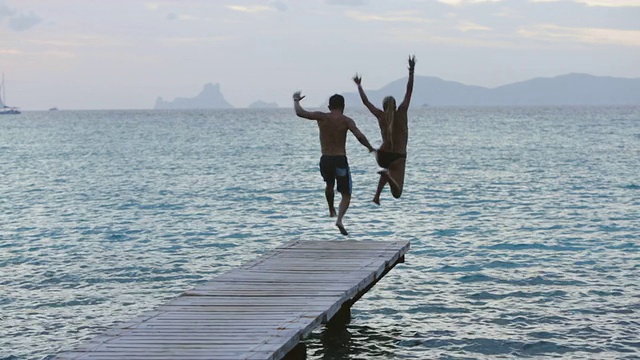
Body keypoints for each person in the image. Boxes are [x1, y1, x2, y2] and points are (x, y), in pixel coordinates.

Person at [293, 91, 376, 235]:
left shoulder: (322, 117)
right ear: (343, 106)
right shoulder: (346, 120)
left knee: (329, 185)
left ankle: (331, 208)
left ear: (329, 106)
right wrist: (370, 148)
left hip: (325, 159)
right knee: (346, 194)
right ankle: (339, 219)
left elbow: (301, 113)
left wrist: (296, 100)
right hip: (340, 159)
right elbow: (359, 136)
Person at [353, 55, 416, 205]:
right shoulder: (402, 112)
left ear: (383, 106)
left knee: (387, 170)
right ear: (395, 105)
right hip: (398, 156)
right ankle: (386, 177)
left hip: (382, 156)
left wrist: (359, 86)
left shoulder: (380, 116)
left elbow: (366, 102)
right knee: (397, 193)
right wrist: (411, 71)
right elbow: (409, 92)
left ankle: (377, 196)